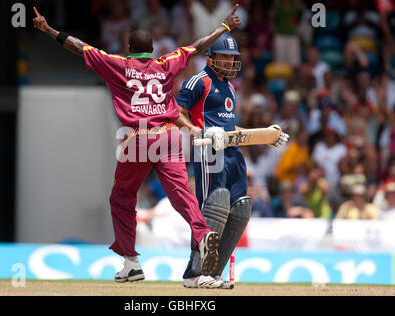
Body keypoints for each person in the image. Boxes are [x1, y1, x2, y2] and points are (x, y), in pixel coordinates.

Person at [33, 5, 242, 284]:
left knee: (122, 197)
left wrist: (49, 30)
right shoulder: (166, 63)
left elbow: (80, 47)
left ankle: (131, 263)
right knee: (181, 194)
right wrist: (224, 27)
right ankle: (203, 235)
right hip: (169, 135)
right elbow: (197, 45)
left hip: (138, 138)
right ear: (152, 48)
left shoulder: (117, 64)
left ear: (129, 47)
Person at [175, 33, 289, 288]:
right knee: (214, 205)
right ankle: (196, 273)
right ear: (210, 57)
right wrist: (199, 132)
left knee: (240, 208)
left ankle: (212, 272)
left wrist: (264, 136)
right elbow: (177, 113)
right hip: (207, 151)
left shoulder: (230, 86)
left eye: (232, 57)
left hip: (232, 152)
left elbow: (229, 126)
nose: (229, 62)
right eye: (224, 56)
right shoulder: (198, 82)